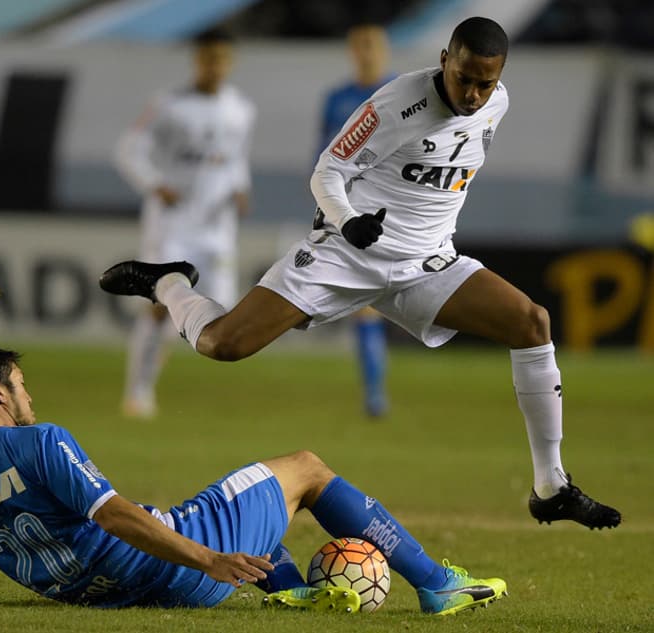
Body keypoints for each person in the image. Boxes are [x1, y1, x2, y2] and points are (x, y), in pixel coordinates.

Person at [99, 17, 621, 530]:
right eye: (465, 79)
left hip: (426, 263)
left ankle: (551, 487)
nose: (475, 94)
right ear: (445, 61)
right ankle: (167, 282)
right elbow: (327, 170)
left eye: (486, 83)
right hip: (347, 253)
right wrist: (349, 223)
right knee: (223, 344)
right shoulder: (396, 104)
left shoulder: (497, 102)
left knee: (532, 323)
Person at [0, 344, 506, 616]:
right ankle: (436, 583)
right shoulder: (38, 441)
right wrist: (206, 561)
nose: (31, 395)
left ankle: (296, 587)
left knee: (234, 507)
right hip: (176, 565)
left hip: (111, 592)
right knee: (303, 470)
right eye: (21, 384)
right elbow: (117, 512)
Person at [113, 27, 255, 419]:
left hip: (217, 227)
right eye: (209, 59)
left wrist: (241, 188)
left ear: (231, 62)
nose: (216, 67)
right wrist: (155, 184)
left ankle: (162, 380)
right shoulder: (168, 104)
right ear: (197, 60)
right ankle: (138, 392)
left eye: (223, 59)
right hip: (173, 225)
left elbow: (235, 158)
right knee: (160, 306)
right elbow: (128, 150)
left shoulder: (240, 108)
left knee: (221, 311)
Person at [318, 23, 396, 418]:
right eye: (360, 44)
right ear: (352, 50)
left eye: (373, 45)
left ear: (384, 50)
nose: (367, 52)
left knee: (377, 302)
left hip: (394, 211)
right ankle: (375, 395)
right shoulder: (336, 99)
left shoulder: (399, 93)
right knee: (365, 306)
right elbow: (322, 158)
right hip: (349, 213)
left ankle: (376, 392)